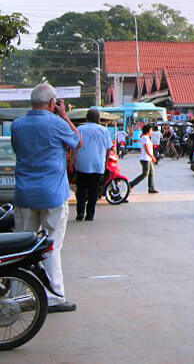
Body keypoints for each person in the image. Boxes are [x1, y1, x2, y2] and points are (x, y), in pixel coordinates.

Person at [10, 83, 80, 312]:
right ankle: (54, 297)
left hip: (25, 194)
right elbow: (77, 141)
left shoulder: (18, 125)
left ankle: (16, 298)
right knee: (51, 246)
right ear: (52, 103)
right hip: (52, 194)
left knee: (20, 248)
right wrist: (64, 115)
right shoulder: (57, 123)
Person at [73, 108, 112, 222]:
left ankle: (80, 213)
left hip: (82, 164)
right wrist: (105, 161)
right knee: (93, 191)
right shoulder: (103, 130)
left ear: (87, 117)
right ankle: (90, 215)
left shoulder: (80, 129)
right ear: (98, 119)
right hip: (97, 164)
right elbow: (109, 148)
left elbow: (74, 146)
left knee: (80, 190)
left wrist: (72, 161)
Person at [129, 124, 158, 193]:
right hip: (145, 159)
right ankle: (130, 184)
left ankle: (151, 188)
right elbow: (146, 149)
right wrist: (152, 157)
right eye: (151, 130)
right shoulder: (145, 138)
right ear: (148, 131)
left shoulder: (146, 137)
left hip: (148, 159)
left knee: (151, 173)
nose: (152, 131)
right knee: (145, 174)